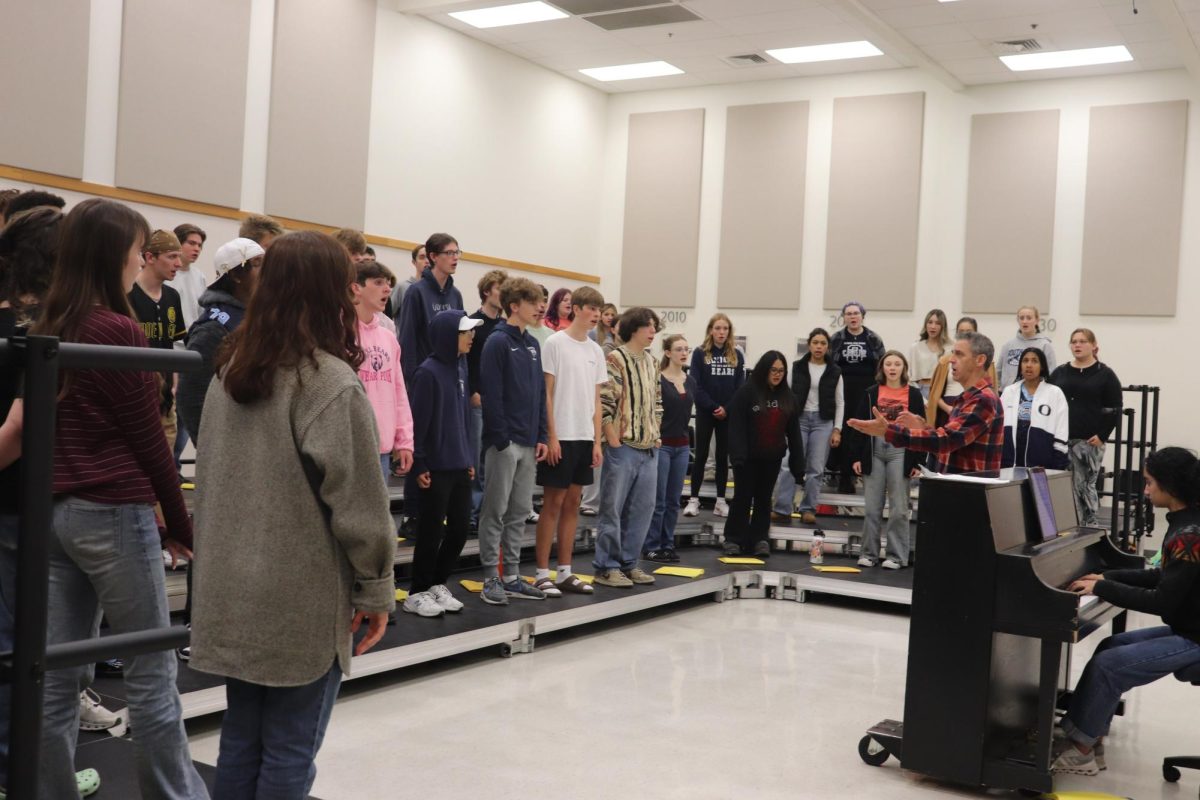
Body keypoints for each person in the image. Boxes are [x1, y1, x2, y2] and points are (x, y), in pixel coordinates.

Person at [191, 231, 396, 797]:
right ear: (331, 290)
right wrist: (377, 590)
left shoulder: (228, 370)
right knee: (288, 750)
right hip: (297, 595)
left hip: (229, 586)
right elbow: (361, 504)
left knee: (240, 741)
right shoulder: (327, 381)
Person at [30, 199, 207, 799]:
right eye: (136, 249)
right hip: (113, 513)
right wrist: (180, 524)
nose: (141, 260)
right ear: (115, 255)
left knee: (53, 680)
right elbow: (150, 444)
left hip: (54, 515)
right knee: (152, 672)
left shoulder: (49, 323)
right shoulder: (116, 328)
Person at [0, 207, 106, 798]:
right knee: (30, 652)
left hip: (28, 505)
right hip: (28, 505)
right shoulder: (42, 332)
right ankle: (26, 775)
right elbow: (16, 433)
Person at [1053, 446, 1200, 776]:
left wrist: (1102, 588)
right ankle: (1091, 738)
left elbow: (1162, 600)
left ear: (1170, 487)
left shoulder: (1189, 535)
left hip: (1195, 636)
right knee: (1111, 646)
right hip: (1190, 626)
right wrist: (1107, 576)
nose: (1145, 491)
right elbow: (1163, 576)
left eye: (1149, 483)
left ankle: (1081, 751)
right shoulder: (1188, 523)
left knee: (1109, 666)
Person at [477, 277, 549, 605]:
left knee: (519, 510)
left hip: (529, 441)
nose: (540, 307)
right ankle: (491, 576)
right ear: (515, 306)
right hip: (504, 444)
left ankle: (512, 576)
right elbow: (491, 395)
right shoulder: (497, 342)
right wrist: (502, 439)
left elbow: (539, 395)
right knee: (495, 509)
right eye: (533, 302)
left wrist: (542, 435)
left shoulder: (533, 344)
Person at [404, 310, 480, 618]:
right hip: (433, 466)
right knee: (430, 531)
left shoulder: (460, 368)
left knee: (460, 530)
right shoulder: (428, 372)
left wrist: (468, 457)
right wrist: (419, 463)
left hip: (459, 464)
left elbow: (462, 419)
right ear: (450, 336)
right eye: (466, 333)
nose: (471, 337)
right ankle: (417, 592)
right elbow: (418, 422)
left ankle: (437, 582)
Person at [534, 287, 608, 595]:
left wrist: (597, 441)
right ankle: (541, 572)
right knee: (553, 502)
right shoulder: (555, 343)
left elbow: (597, 398)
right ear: (575, 309)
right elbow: (547, 394)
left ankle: (565, 571)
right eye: (590, 308)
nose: (595, 314)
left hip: (583, 436)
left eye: (598, 310)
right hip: (560, 435)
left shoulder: (595, 350)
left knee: (574, 502)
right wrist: (551, 436)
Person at [847, 332, 1003, 475]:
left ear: (980, 360)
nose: (951, 359)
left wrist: (888, 431)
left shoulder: (983, 399)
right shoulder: (967, 398)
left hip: (972, 492)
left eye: (959, 354)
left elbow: (947, 441)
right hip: (959, 487)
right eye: (953, 353)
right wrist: (924, 429)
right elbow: (952, 444)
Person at [594, 307, 662, 588]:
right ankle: (606, 566)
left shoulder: (652, 361)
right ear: (634, 327)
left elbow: (657, 401)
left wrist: (656, 432)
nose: (653, 331)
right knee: (612, 508)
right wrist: (611, 438)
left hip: (648, 448)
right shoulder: (615, 358)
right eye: (648, 326)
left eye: (655, 326)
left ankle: (629, 563)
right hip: (622, 447)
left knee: (642, 510)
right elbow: (605, 401)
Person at [176, 238, 266, 445]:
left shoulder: (261, 319)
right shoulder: (213, 329)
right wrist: (212, 450)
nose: (267, 273)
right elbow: (191, 397)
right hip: (229, 444)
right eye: (258, 264)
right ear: (235, 275)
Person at [723, 351, 804, 558]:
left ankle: (760, 539)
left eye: (781, 371)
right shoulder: (747, 392)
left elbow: (794, 433)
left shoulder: (788, 397)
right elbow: (736, 426)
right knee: (742, 497)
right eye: (773, 370)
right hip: (747, 459)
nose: (777, 375)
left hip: (772, 458)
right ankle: (733, 538)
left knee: (763, 499)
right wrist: (737, 456)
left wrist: (798, 464)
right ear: (764, 370)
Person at [852, 351, 925, 569]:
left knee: (899, 508)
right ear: (882, 368)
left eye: (897, 364)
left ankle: (896, 556)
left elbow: (921, 428)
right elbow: (859, 425)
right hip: (874, 450)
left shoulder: (913, 394)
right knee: (872, 507)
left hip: (900, 450)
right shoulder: (870, 393)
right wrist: (856, 456)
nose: (892, 368)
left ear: (904, 368)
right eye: (888, 364)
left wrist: (918, 460)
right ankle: (868, 553)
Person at [1049, 328, 1123, 527]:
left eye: (1082, 341)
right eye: (1074, 341)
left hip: (1089, 441)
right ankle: (1065, 526)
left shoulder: (1105, 374)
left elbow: (1114, 408)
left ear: (1093, 345)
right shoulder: (1060, 372)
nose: (1078, 345)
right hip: (1062, 440)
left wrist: (1102, 435)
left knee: (1084, 486)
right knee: (1062, 485)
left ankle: (1088, 528)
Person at [773, 327, 843, 525]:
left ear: (828, 347)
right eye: (815, 343)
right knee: (788, 464)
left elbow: (841, 402)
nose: (819, 347)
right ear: (809, 345)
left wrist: (837, 428)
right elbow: (784, 394)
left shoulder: (835, 371)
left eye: (823, 343)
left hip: (823, 422)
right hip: (798, 420)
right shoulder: (796, 367)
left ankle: (808, 509)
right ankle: (782, 508)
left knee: (816, 468)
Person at [352, 260, 413, 481]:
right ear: (356, 287)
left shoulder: (388, 336)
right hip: (351, 447)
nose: (387, 288)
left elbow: (398, 392)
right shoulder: (339, 334)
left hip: (383, 449)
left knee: (377, 515)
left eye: (388, 284)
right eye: (378, 283)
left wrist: (404, 440)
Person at [683, 313, 744, 519]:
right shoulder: (700, 354)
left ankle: (720, 500)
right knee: (700, 456)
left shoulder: (737, 354)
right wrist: (712, 407)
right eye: (717, 328)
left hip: (727, 414)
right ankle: (694, 499)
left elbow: (740, 388)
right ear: (711, 330)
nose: (721, 332)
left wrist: (726, 408)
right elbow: (695, 385)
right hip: (705, 412)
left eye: (725, 329)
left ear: (729, 331)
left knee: (721, 458)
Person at [644, 334, 694, 563]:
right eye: (679, 349)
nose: (683, 353)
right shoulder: (658, 378)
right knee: (659, 500)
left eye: (686, 349)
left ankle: (667, 543)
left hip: (682, 446)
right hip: (663, 445)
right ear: (667, 353)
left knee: (674, 500)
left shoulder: (689, 379)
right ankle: (652, 545)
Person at [829, 301, 886, 493]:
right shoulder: (836, 338)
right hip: (843, 392)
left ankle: (863, 474)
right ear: (843, 317)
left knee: (863, 431)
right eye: (848, 314)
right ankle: (845, 477)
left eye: (856, 313)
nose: (852, 317)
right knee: (844, 432)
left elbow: (882, 366)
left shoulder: (873, 339)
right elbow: (830, 366)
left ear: (863, 316)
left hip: (867, 392)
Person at [465, 270, 508, 526]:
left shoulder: (504, 327)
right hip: (479, 399)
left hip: (499, 402)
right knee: (476, 457)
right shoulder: (472, 322)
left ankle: (489, 512)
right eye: (499, 288)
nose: (502, 294)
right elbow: (465, 361)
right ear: (486, 292)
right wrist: (472, 391)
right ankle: (471, 512)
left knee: (494, 458)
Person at [398, 233, 464, 380]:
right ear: (433, 257)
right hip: (425, 376)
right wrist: (411, 378)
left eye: (457, 252)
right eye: (449, 253)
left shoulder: (456, 295)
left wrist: (462, 375)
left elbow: (462, 339)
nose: (455, 257)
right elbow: (408, 340)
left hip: (451, 376)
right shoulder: (416, 292)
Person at [999, 348, 1069, 470]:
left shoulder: (1055, 393)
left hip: (1042, 465)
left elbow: (1061, 431)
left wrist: (1058, 464)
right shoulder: (1009, 391)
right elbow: (999, 426)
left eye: (1034, 361)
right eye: (1025, 361)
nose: (1029, 365)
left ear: (1042, 366)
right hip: (1009, 462)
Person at [926, 316, 996, 428]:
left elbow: (948, 438)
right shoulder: (945, 361)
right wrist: (948, 408)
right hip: (948, 405)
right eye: (960, 332)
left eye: (968, 332)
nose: (952, 359)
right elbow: (935, 393)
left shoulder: (984, 399)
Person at [997, 305, 1057, 388]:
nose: (1024, 321)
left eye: (1029, 318)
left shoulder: (1045, 345)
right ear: (1018, 320)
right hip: (1009, 394)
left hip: (1035, 393)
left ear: (1037, 320)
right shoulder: (1008, 345)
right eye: (1021, 318)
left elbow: (1051, 373)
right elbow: (998, 371)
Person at [168, 223, 207, 330]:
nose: (197, 249)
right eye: (192, 243)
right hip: (170, 340)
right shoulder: (165, 274)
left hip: (191, 341)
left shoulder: (200, 277)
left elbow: (202, 312)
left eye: (199, 245)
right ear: (178, 243)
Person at [907, 309, 950, 400]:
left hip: (942, 390)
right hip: (920, 389)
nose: (933, 326)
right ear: (925, 324)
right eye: (930, 322)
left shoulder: (949, 348)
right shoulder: (916, 347)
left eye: (937, 323)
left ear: (943, 326)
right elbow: (909, 375)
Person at [392, 243, 428, 329]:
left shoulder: (437, 290)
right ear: (414, 262)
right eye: (422, 257)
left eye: (429, 257)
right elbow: (385, 316)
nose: (427, 261)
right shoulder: (402, 287)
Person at [526, 283, 552, 350]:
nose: (542, 305)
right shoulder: (521, 331)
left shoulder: (552, 335)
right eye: (538, 300)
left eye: (545, 301)